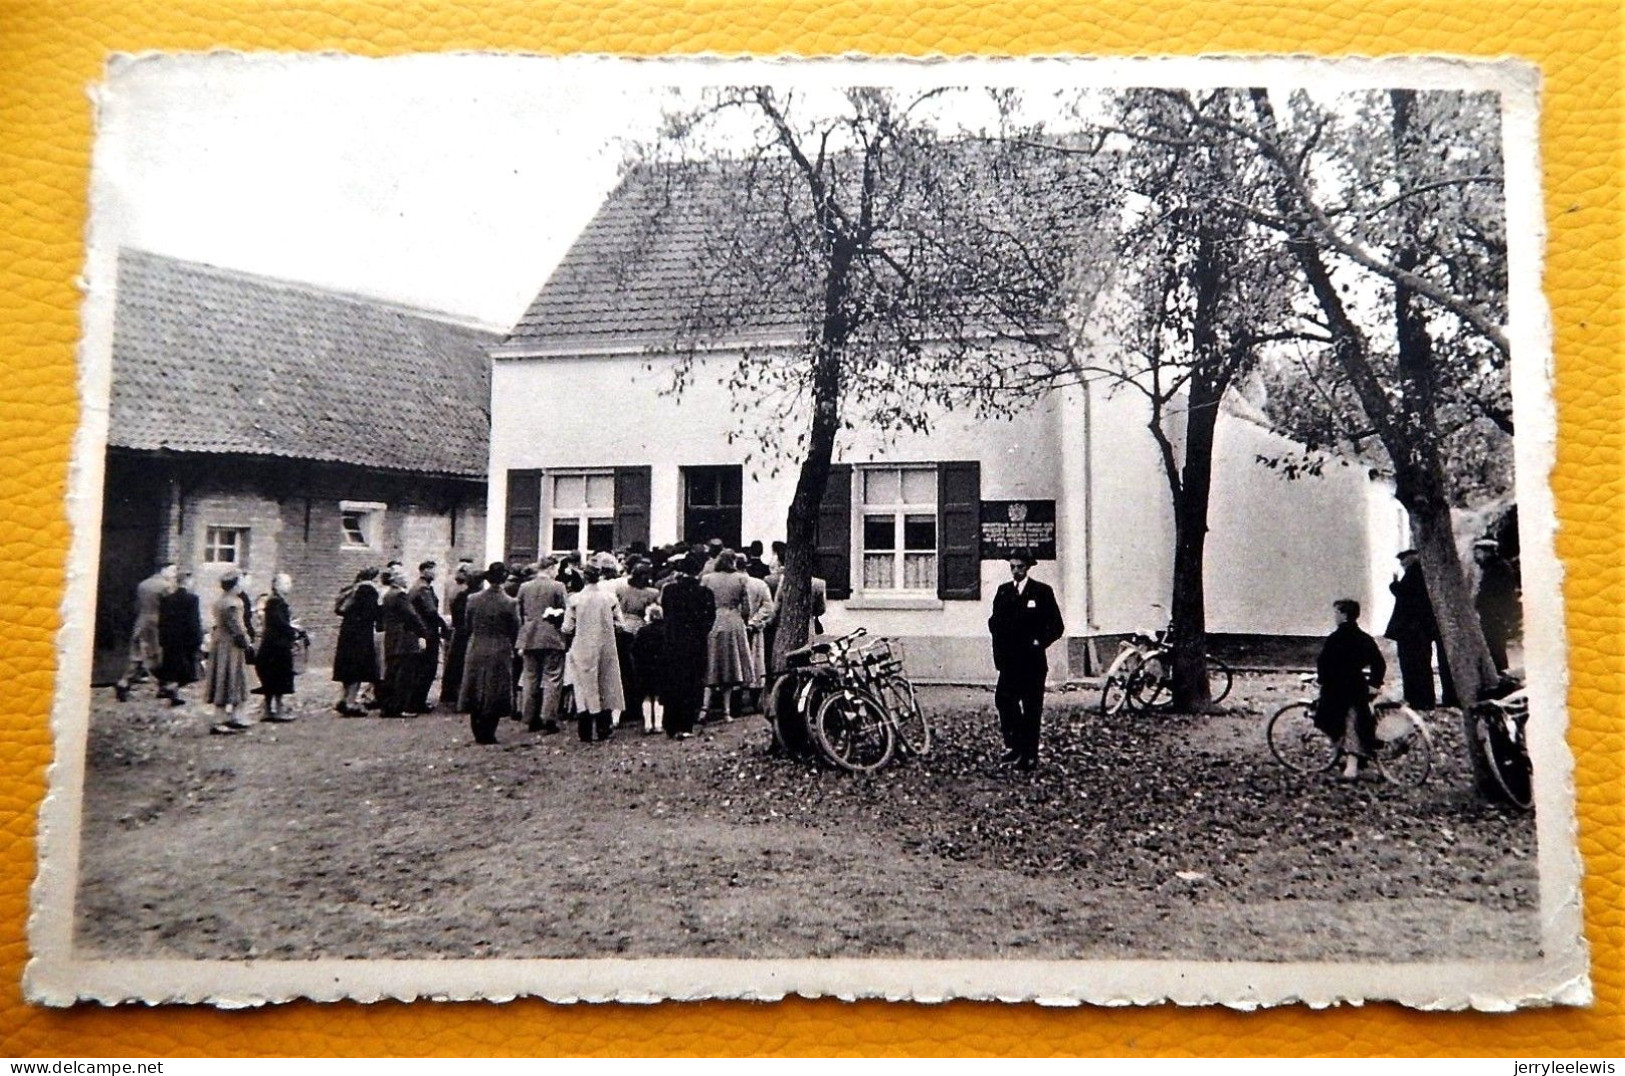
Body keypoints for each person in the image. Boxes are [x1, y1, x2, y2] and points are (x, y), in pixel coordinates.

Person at [986, 550, 1065, 771]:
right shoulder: (1003, 592)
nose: (1016, 571)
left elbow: (1057, 626)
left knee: (1031, 709)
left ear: (1028, 568)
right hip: (1010, 662)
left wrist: (1040, 641)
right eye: (1012, 567)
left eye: (1020, 567)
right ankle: (1015, 746)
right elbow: (994, 623)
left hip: (1032, 662)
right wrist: (1000, 649)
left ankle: (1029, 755)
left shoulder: (1041, 592)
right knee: (1004, 702)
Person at [1314, 598, 1388, 781]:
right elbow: (1379, 663)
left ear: (1342, 614)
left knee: (1341, 722)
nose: (1335, 617)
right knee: (1356, 721)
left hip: (1337, 689)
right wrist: (1374, 684)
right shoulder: (1364, 638)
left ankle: (1351, 767)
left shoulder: (1335, 638)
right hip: (1357, 686)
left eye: (1336, 613)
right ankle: (1351, 759)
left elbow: (1324, 663)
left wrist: (1321, 680)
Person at [562, 563, 625, 742]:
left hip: (582, 645)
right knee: (605, 683)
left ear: (584, 578)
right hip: (605, 645)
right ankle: (604, 728)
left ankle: (585, 731)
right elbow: (621, 624)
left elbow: (567, 628)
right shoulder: (610, 598)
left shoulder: (575, 599)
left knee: (583, 686)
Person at [459, 564, 520, 745]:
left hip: (476, 645)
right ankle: (488, 732)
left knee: (476, 687)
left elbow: (467, 624)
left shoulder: (472, 599)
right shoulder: (509, 602)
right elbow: (515, 629)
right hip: (499, 648)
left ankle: (477, 730)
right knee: (495, 690)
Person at [659, 552, 715, 740]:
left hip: (673, 641)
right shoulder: (705, 593)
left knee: (673, 681)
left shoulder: (669, 591)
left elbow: (666, 613)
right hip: (695, 643)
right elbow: (709, 619)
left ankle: (671, 724)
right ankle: (686, 724)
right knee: (692, 682)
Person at [1383, 549, 1441, 709]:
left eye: (1403, 560)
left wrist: (1394, 585)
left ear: (1410, 559)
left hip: (1412, 631)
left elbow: (1407, 597)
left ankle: (1418, 700)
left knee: (1413, 665)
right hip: (1419, 631)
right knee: (1419, 665)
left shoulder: (1415, 573)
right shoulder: (1422, 573)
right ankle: (1422, 699)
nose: (1401, 564)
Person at [700, 550, 753, 722]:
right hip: (733, 621)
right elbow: (747, 608)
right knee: (731, 666)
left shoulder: (708, 578)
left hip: (713, 620)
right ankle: (727, 710)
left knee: (711, 662)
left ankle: (704, 707)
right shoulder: (741, 579)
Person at [516, 557, 568, 733]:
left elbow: (519, 611)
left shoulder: (524, 587)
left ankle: (530, 717)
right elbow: (565, 610)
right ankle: (549, 718)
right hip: (552, 636)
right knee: (553, 677)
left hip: (529, 636)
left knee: (531, 677)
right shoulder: (558, 586)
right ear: (551, 568)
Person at [114, 562, 178, 701]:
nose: (174, 574)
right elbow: (171, 608)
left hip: (141, 622)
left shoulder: (143, 584)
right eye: (172, 570)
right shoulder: (166, 587)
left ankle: (123, 683)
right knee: (157, 656)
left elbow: (138, 605)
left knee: (137, 656)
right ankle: (166, 687)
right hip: (155, 624)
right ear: (163, 570)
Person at [251, 572, 305, 723]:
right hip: (277, 646)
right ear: (276, 585)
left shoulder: (274, 601)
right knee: (278, 678)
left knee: (273, 679)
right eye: (286, 583)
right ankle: (276, 710)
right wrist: (293, 630)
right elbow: (279, 623)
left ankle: (270, 710)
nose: (290, 586)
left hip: (273, 644)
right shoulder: (276, 602)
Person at [206, 571, 255, 735]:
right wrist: (248, 642)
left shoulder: (221, 601)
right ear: (234, 585)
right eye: (240, 582)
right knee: (230, 678)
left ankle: (235, 716)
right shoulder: (234, 603)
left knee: (229, 678)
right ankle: (221, 719)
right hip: (230, 647)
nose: (242, 585)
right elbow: (237, 627)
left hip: (221, 644)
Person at [377, 568, 429, 717]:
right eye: (404, 577)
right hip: (404, 639)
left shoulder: (388, 595)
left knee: (392, 674)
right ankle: (399, 707)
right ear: (397, 579)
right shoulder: (400, 595)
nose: (406, 580)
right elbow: (412, 615)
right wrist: (423, 632)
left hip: (392, 639)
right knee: (404, 675)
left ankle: (388, 706)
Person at [616, 564, 661, 728]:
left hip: (625, 629)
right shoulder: (651, 593)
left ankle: (630, 707)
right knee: (633, 670)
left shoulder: (623, 590)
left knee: (628, 670)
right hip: (637, 630)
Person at [332, 567, 382, 716]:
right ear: (374, 578)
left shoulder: (351, 588)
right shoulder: (369, 590)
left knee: (348, 668)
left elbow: (341, 610)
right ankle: (350, 703)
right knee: (357, 669)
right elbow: (371, 613)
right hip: (360, 634)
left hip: (347, 632)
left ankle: (343, 698)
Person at [154, 570, 202, 707]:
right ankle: (171, 689)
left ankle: (173, 693)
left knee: (172, 668)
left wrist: (162, 637)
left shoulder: (167, 599)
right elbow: (193, 621)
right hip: (185, 640)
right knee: (186, 670)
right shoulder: (192, 599)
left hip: (169, 638)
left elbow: (161, 621)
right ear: (187, 582)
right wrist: (197, 639)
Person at [1474, 538, 1521, 673]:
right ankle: (1499, 674)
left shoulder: (1498, 568)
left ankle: (1501, 675)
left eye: (1479, 553)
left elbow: (1497, 594)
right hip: (1492, 615)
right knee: (1494, 647)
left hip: (1495, 616)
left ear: (1488, 552)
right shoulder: (1493, 568)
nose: (1476, 556)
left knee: (1496, 647)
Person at [406, 561, 447, 713]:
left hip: (422, 631)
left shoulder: (419, 586)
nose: (435, 573)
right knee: (427, 668)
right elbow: (431, 611)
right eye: (432, 570)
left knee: (422, 668)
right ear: (424, 571)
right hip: (427, 632)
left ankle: (417, 701)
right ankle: (418, 702)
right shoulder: (423, 589)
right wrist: (444, 625)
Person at [741, 557, 777, 714]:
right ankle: (755, 701)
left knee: (741, 662)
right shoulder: (759, 584)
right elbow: (768, 606)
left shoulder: (752, 583)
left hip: (742, 627)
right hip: (752, 627)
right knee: (755, 664)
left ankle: (738, 703)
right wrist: (755, 621)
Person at [439, 561, 476, 711]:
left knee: (452, 663)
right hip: (462, 631)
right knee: (459, 663)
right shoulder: (464, 593)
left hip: (456, 628)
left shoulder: (452, 587)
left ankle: (449, 693)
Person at [630, 604, 667, 733]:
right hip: (661, 667)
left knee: (645, 695)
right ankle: (658, 724)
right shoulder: (666, 630)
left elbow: (634, 649)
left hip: (644, 667)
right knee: (658, 695)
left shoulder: (642, 631)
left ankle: (647, 724)